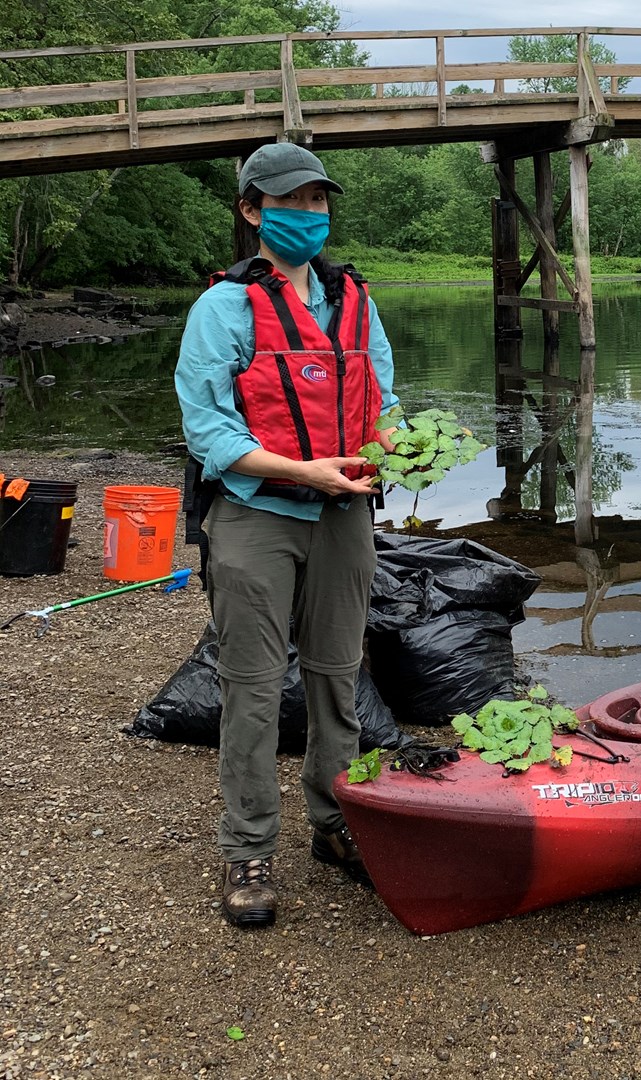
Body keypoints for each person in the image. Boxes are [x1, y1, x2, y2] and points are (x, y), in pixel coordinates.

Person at [174, 142, 399, 929]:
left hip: (345, 517)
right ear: (251, 211)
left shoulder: (356, 303)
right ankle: (247, 847)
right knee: (253, 685)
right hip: (255, 517)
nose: (309, 215)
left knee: (339, 676)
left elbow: (386, 399)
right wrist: (308, 473)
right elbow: (209, 432)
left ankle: (336, 826)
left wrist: (397, 441)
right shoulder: (222, 310)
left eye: (317, 201)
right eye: (290, 203)